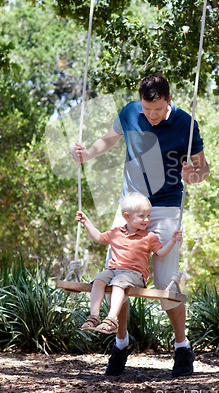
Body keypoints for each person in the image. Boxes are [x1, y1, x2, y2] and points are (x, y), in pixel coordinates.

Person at [72, 73, 210, 377]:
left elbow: (203, 168)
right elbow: (109, 140)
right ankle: (121, 343)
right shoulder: (130, 112)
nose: (152, 116)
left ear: (168, 101)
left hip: (165, 208)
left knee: (164, 284)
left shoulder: (186, 124)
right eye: (148, 110)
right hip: (130, 206)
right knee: (116, 276)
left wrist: (193, 175)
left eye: (158, 110)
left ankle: (182, 346)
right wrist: (87, 154)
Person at [76, 192, 182, 334]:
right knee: (99, 280)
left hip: (134, 274)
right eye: (142, 216)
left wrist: (172, 241)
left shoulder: (149, 237)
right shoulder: (116, 232)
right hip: (114, 270)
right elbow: (98, 237)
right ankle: (94, 317)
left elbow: (161, 252)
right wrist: (86, 222)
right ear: (127, 217)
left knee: (118, 283)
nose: (146, 220)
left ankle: (112, 319)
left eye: (148, 216)